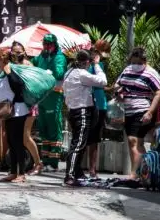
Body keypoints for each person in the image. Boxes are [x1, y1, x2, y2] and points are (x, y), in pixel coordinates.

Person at [114, 46, 160, 174]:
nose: (136, 65)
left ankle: (135, 173)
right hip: (128, 111)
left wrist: (150, 112)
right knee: (135, 143)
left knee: (134, 140)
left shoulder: (151, 74)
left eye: (139, 63)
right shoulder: (127, 70)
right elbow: (118, 84)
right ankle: (142, 172)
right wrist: (119, 92)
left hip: (142, 109)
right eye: (133, 62)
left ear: (145, 61)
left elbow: (159, 93)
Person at [61, 49, 107, 186]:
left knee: (79, 143)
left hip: (73, 111)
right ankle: (69, 175)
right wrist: (97, 65)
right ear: (87, 62)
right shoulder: (82, 74)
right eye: (89, 63)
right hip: (81, 112)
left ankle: (77, 172)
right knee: (78, 144)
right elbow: (103, 81)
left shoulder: (68, 72)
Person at [0, 48, 32, 183]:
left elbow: (18, 86)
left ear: (3, 59)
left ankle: (21, 173)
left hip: (18, 109)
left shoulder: (11, 70)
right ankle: (13, 172)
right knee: (10, 141)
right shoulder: (2, 72)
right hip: (8, 111)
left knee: (17, 141)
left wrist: (9, 73)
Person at [31, 33, 68, 170]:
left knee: (53, 126)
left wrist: (48, 70)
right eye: (45, 44)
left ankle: (53, 162)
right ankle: (45, 160)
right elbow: (32, 64)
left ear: (55, 44)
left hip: (54, 95)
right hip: (42, 96)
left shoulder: (59, 57)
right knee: (43, 127)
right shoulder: (41, 56)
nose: (47, 46)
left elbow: (59, 73)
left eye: (49, 44)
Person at [11, 42, 43, 173]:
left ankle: (38, 163)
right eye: (14, 51)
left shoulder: (28, 65)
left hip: (29, 103)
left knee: (25, 135)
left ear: (24, 52)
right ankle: (21, 165)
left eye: (19, 52)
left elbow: (33, 84)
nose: (17, 54)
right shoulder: (12, 65)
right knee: (17, 135)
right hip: (17, 103)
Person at [86, 39, 111, 178]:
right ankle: (81, 168)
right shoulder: (87, 63)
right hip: (88, 102)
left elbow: (101, 82)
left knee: (95, 137)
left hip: (100, 103)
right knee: (85, 136)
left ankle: (92, 169)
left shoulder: (101, 64)